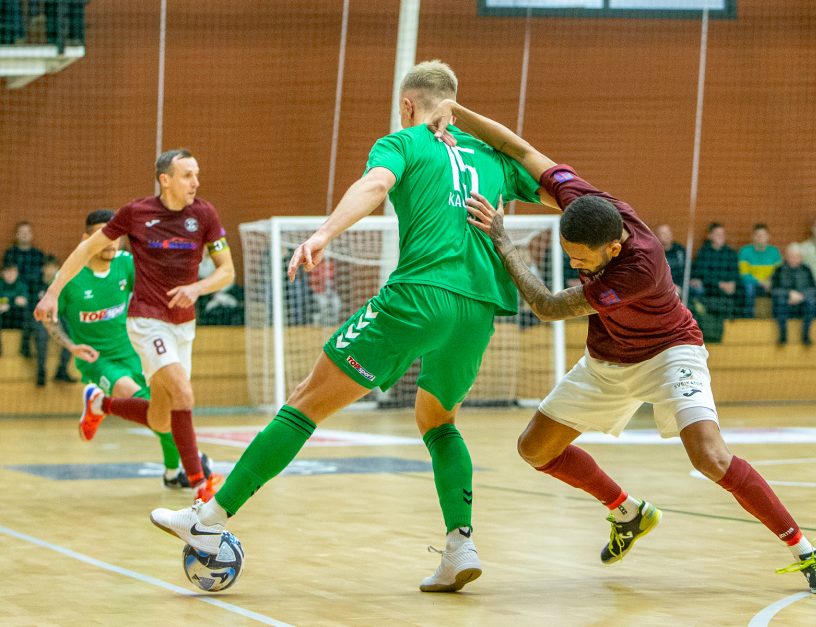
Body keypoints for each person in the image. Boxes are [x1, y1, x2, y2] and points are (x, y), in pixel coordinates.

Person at [149, 60, 547, 593]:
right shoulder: (494, 157)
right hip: (478, 309)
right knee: (438, 419)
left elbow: (375, 185)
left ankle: (208, 519)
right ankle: (460, 543)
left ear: (407, 105)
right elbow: (555, 185)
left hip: (417, 298)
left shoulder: (402, 142)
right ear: (454, 102)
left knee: (305, 401)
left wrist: (323, 234)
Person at [427, 99, 816, 594]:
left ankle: (806, 550)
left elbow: (546, 305)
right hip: (609, 360)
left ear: (613, 249)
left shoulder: (637, 267)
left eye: (582, 260)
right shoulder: (589, 206)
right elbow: (520, 148)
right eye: (570, 257)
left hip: (670, 353)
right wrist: (455, 110)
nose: (577, 266)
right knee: (534, 449)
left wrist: (505, 242)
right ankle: (627, 513)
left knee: (709, 457)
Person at [34, 149, 234, 501]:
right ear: (165, 179)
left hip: (183, 326)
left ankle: (101, 405)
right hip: (146, 321)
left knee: (161, 417)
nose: (196, 183)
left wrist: (198, 287)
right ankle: (199, 482)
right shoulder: (136, 213)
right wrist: (52, 293)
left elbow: (227, 272)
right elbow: (84, 251)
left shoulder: (204, 214)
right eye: (187, 175)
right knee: (184, 394)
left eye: (197, 174)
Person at [43, 209, 211, 487]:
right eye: (102, 237)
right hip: (99, 360)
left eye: (115, 237)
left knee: (163, 412)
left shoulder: (125, 264)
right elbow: (49, 319)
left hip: (136, 352)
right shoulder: (70, 277)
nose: (110, 243)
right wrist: (71, 346)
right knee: (149, 408)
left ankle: (172, 473)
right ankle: (194, 461)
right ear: (86, 239)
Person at [4, 221, 48, 357]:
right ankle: (24, 346)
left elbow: (42, 278)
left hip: (34, 295)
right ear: (17, 235)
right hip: (16, 296)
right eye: (21, 232)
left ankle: (26, 346)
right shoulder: (10, 253)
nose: (24, 235)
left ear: (31, 235)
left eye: (27, 232)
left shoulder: (38, 254)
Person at [30, 256, 76, 385]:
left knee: (71, 335)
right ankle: (41, 372)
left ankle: (61, 371)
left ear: (57, 269)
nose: (50, 270)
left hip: (58, 317)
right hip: (39, 318)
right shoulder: (35, 283)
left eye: (53, 267)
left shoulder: (62, 285)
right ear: (43, 269)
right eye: (48, 267)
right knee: (41, 337)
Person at [689, 223, 738, 319]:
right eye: (717, 234)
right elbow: (702, 274)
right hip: (710, 287)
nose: (721, 237)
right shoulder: (703, 252)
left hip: (727, 288)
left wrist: (732, 283)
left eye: (722, 234)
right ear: (710, 236)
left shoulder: (730, 253)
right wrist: (719, 284)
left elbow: (734, 272)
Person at [770, 244, 816, 345]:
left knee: (811, 302)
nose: (794, 259)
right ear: (786, 256)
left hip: (802, 304)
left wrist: (801, 296)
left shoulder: (807, 270)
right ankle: (783, 336)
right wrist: (789, 293)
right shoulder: (779, 270)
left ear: (801, 257)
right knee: (779, 302)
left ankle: (806, 336)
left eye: (797, 256)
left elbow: (813, 289)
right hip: (785, 302)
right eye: (791, 256)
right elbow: (773, 289)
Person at [738, 223, 781, 318]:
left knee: (780, 289)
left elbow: (779, 273)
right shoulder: (745, 251)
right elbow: (744, 275)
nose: (760, 238)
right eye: (758, 235)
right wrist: (760, 282)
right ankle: (749, 319)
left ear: (768, 237)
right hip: (755, 285)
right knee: (749, 288)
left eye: (763, 235)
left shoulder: (774, 251)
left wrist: (770, 282)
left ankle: (776, 319)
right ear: (753, 237)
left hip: (770, 285)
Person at [654, 223, 686, 293]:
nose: (666, 236)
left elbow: (686, 270)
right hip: (661, 286)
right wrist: (670, 286)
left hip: (680, 285)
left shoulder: (680, 250)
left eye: (668, 233)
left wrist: (681, 286)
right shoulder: (653, 252)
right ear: (657, 236)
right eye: (663, 234)